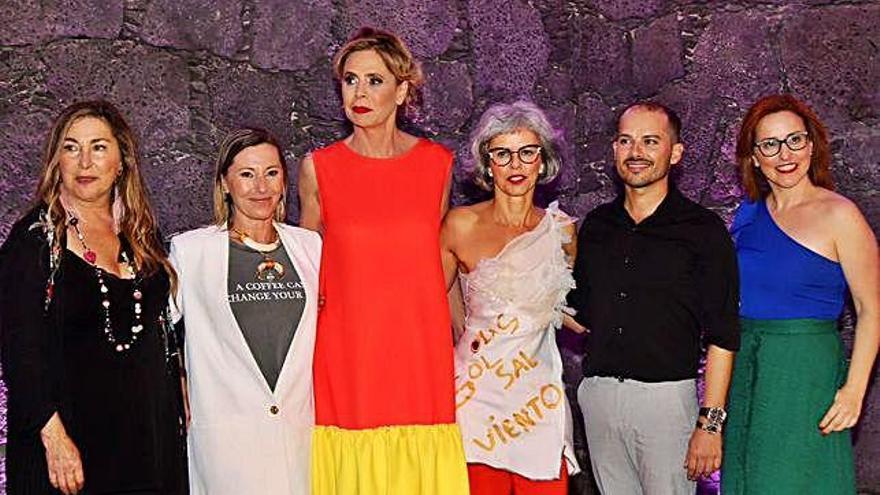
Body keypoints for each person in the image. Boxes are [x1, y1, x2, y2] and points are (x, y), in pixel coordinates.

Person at [298, 27, 469, 494]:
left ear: (402, 90)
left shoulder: (437, 164)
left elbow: (440, 261)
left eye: (374, 80)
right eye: (350, 80)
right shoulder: (319, 168)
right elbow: (304, 266)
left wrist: (467, 338)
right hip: (347, 349)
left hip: (419, 348)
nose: (359, 92)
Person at [0, 100, 187, 494]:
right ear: (57, 161)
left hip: (144, 443)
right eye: (71, 148)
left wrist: (180, 393)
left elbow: (164, 331)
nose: (84, 161)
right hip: (71, 449)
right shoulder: (35, 240)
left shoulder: (141, 235)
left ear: (122, 161)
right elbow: (20, 351)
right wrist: (53, 439)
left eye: (98, 147)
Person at [567, 102, 740, 494]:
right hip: (599, 398)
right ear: (613, 151)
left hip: (666, 403)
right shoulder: (597, 226)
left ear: (675, 153)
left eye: (650, 141)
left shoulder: (703, 231)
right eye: (626, 141)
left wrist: (710, 425)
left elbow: (724, 336)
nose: (636, 152)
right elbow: (580, 312)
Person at [721, 94, 879, 494]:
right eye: (769, 144)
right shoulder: (746, 215)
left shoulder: (840, 215)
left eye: (794, 140)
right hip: (748, 369)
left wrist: (854, 390)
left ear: (811, 144)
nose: (784, 154)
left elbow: (870, 309)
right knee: (747, 478)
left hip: (805, 371)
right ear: (754, 157)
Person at [169, 128, 321, 494]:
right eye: (247, 174)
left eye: (271, 173)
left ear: (284, 181)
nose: (260, 187)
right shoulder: (191, 252)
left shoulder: (310, 247)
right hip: (227, 445)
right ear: (225, 183)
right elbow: (157, 334)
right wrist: (178, 384)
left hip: (301, 440)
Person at [440, 101, 580, 494]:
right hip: (475, 396)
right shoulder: (460, 225)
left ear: (542, 160)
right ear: (487, 163)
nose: (515, 165)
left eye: (526, 152)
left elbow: (566, 305)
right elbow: (430, 303)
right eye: (502, 153)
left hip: (538, 397)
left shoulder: (562, 231)